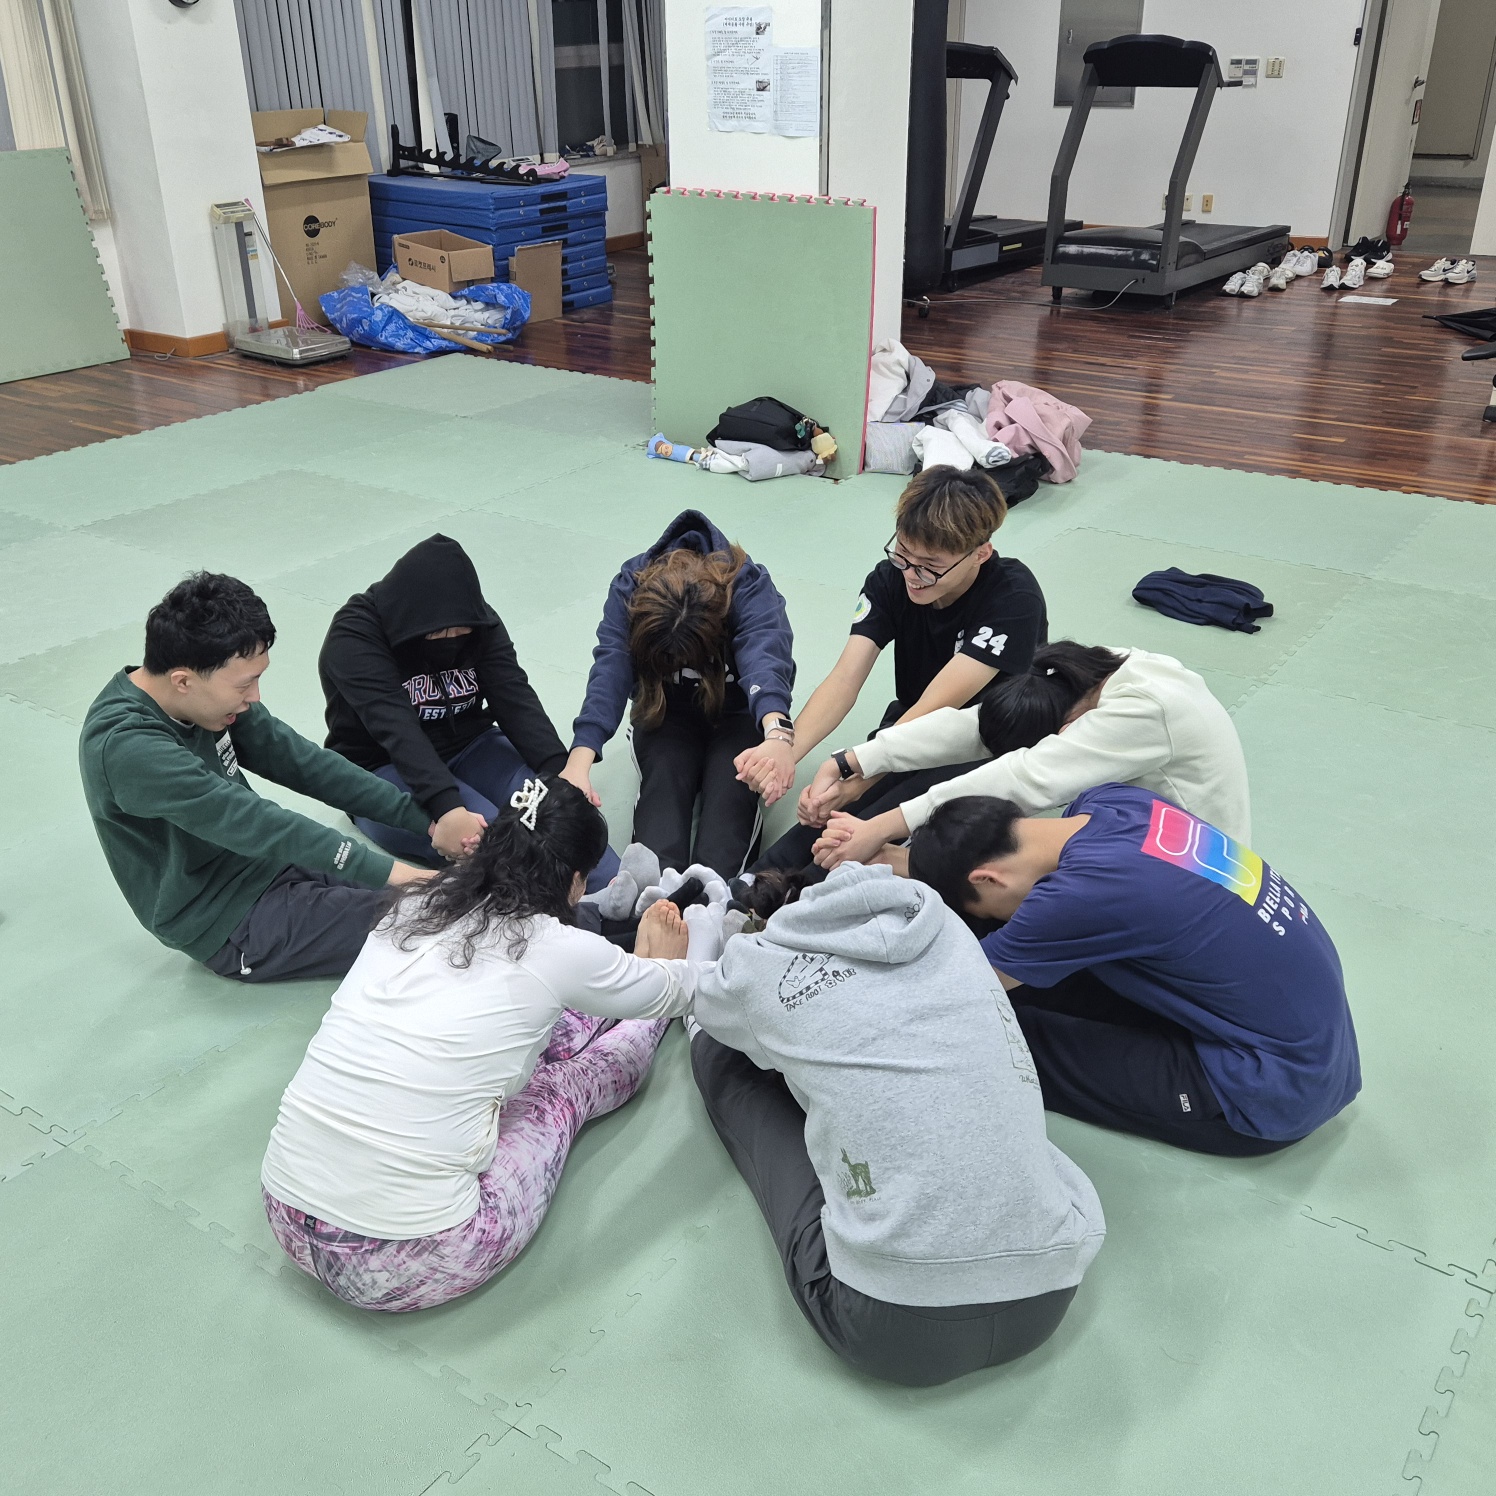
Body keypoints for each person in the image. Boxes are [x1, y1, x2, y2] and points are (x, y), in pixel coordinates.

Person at [260, 775, 711, 1312]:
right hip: (406, 1258)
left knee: (532, 1026)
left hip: (283, 1210)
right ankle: (638, 1013)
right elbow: (687, 989)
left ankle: (624, 985)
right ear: (574, 880)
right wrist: (662, 965)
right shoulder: (558, 946)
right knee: (560, 1088)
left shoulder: (414, 904)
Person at [689, 861, 1105, 1387]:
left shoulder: (759, 964)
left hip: (891, 1330)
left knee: (724, 1062)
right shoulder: (951, 929)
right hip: (1051, 1293)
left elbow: (698, 997)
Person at [907, 787, 1361, 1156]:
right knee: (1035, 966)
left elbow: (952, 992)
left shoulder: (1079, 894)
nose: (1002, 919)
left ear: (988, 879)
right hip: (1318, 1053)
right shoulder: (1113, 800)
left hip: (1268, 1090)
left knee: (989, 1033)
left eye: (989, 907)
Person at [80, 573, 438, 984]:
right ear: (183, 681)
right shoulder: (129, 747)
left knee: (438, 904)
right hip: (227, 919)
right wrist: (402, 873)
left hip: (273, 861)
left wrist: (426, 820)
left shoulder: (209, 701)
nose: (255, 697)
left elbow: (301, 761)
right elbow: (251, 819)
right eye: (245, 684)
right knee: (435, 924)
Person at [747, 465, 1046, 874]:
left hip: (986, 742)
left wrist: (857, 777)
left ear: (980, 553)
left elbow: (939, 706)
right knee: (817, 824)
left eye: (930, 565)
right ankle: (752, 885)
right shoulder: (890, 580)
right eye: (903, 554)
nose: (912, 575)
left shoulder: (1014, 596)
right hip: (909, 726)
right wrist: (785, 751)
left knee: (866, 831)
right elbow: (844, 679)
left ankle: (791, 895)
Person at [319, 533, 617, 890]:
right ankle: (576, 917)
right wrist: (447, 808)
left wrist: (560, 774)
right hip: (382, 765)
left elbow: (514, 698)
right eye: (440, 634)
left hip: (472, 745)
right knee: (489, 839)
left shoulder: (478, 620)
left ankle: (622, 893)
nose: (453, 639)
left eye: (460, 632)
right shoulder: (354, 637)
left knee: (555, 813)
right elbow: (397, 732)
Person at [809, 642, 1250, 871]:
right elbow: (977, 726)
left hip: (1192, 864)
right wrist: (852, 760)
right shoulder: (1087, 671)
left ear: (1067, 727)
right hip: (1136, 824)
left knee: (982, 870)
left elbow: (1024, 777)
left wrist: (881, 826)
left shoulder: (1143, 709)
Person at [562, 510, 795, 879]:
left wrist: (777, 736)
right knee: (655, 857)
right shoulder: (630, 587)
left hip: (737, 715)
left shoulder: (748, 587)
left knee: (722, 845)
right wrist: (578, 762)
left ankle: (715, 899)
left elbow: (764, 658)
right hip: (666, 713)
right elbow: (611, 668)